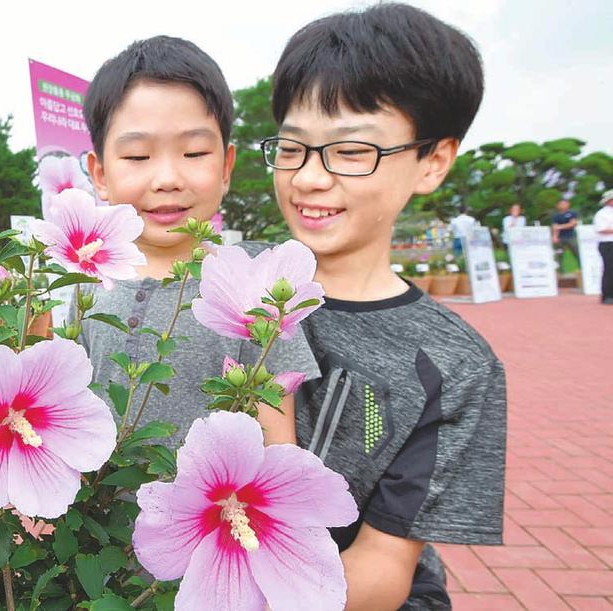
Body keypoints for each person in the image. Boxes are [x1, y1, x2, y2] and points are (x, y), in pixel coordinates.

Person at [267, 4, 506, 609]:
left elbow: (383, 566)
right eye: (292, 147)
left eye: (351, 151)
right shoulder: (234, 288)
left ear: (433, 162)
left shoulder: (456, 364)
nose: (309, 179)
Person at [77, 36, 319, 448]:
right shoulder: (83, 283)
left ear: (226, 166)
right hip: (101, 511)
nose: (168, 178)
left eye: (193, 153)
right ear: (99, 174)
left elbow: (277, 446)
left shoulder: (261, 290)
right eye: (137, 157)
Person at [595, 190, 613, 304]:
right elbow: (601, 229)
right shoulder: (602, 214)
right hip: (608, 243)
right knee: (609, 269)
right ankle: (607, 295)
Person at [551, 199, 580, 270]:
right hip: (560, 238)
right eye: (561, 204)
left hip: (571, 237)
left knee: (577, 252)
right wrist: (554, 237)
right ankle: (559, 271)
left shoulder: (572, 213)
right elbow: (555, 227)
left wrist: (560, 227)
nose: (562, 205)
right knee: (559, 254)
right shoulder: (556, 216)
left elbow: (573, 224)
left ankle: (581, 269)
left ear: (568, 204)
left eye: (564, 203)